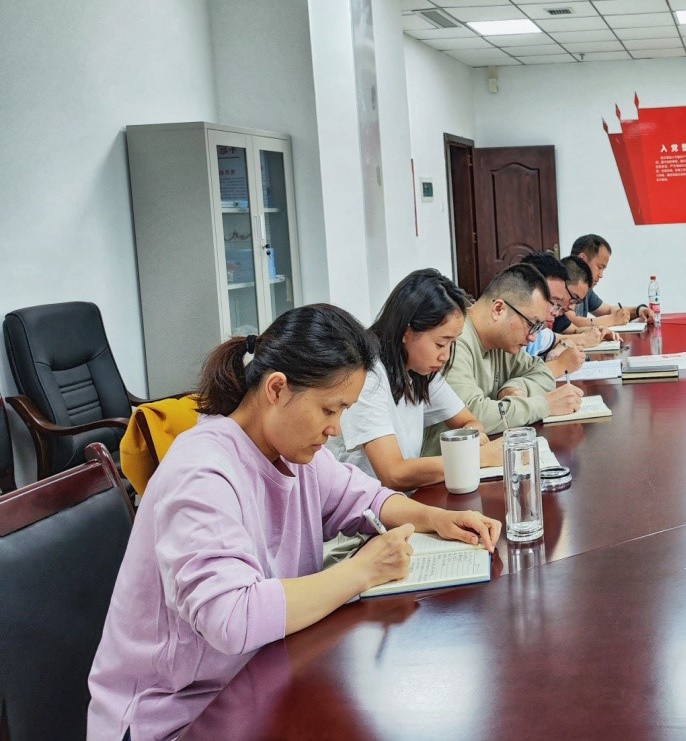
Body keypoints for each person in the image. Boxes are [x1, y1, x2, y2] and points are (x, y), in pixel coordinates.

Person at [87, 304, 501, 741]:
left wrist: (436, 518)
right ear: (277, 389)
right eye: (329, 410)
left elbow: (365, 498)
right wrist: (362, 571)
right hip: (176, 716)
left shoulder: (293, 453)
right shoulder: (202, 472)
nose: (335, 429)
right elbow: (231, 618)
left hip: (259, 681)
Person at [330, 268, 502, 490]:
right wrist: (476, 457)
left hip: (400, 500)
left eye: (452, 343)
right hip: (364, 506)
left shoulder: (422, 372)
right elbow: (393, 474)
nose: (445, 355)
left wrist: (473, 439)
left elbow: (468, 422)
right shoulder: (367, 376)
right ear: (407, 332)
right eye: (440, 343)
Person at [434, 263, 585, 437]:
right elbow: (472, 417)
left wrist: (514, 387)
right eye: (531, 325)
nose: (533, 337)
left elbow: (541, 371)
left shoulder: (502, 343)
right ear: (499, 309)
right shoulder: (453, 340)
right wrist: (545, 406)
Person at [518, 251, 586, 379]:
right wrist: (559, 365)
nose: (556, 312)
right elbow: (514, 384)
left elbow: (562, 339)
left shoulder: (536, 330)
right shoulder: (510, 334)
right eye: (553, 302)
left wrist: (561, 348)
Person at [563, 233, 652, 327]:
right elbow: (571, 322)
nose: (601, 275)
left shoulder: (586, 289)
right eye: (599, 267)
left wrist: (639, 311)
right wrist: (613, 319)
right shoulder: (563, 282)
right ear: (582, 259)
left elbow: (608, 310)